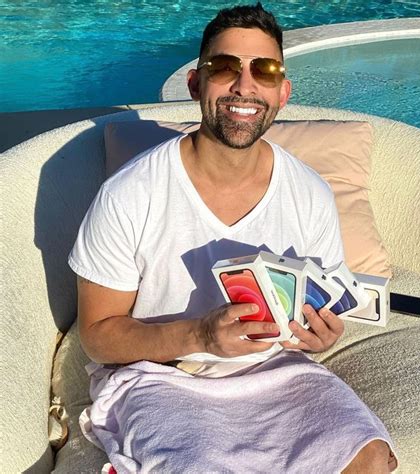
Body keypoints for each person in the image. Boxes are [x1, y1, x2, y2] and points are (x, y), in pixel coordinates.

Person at [69, 3, 398, 472]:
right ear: (195, 84)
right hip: (160, 377)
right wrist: (201, 334)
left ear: (283, 92)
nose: (244, 85)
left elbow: (321, 301)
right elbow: (99, 337)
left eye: (263, 70)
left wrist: (318, 336)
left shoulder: (309, 192)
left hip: (276, 370)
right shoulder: (131, 192)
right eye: (224, 67)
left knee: (368, 458)